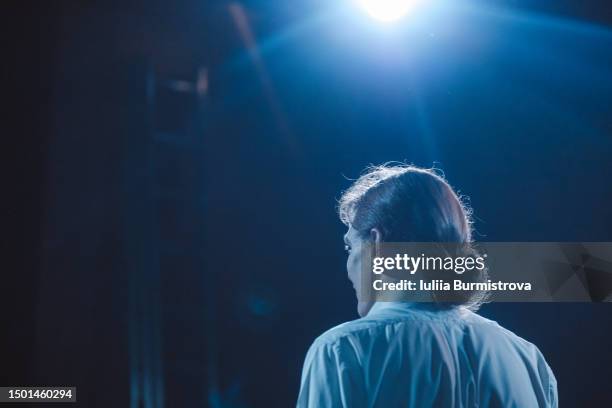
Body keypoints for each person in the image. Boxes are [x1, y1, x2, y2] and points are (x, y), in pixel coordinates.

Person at [297, 164, 557, 407]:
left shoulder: (343, 349)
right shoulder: (528, 359)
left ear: (377, 244)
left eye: (349, 246)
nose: (348, 264)